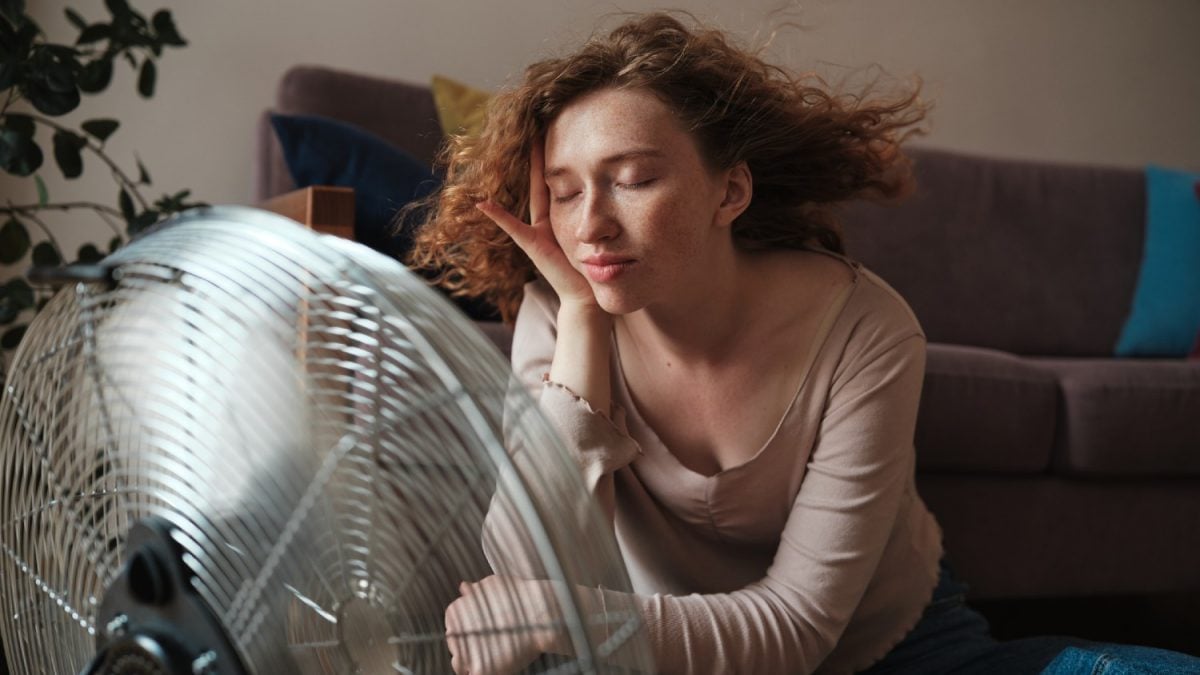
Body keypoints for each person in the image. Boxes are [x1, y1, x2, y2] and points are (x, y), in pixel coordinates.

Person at [410, 12, 1200, 675]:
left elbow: (796, 627)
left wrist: (575, 619)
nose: (590, 225)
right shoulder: (561, 313)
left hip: (883, 646)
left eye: (634, 178)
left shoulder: (867, 330)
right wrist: (583, 321)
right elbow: (529, 580)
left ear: (731, 190)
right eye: (566, 190)